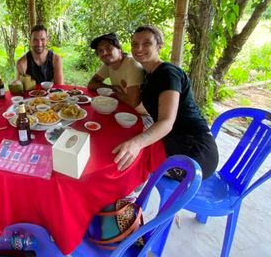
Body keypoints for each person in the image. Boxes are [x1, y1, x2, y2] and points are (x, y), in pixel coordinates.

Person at [112, 25, 219, 180]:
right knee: (122, 142)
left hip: (195, 153)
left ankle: (127, 198)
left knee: (127, 157)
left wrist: (137, 143)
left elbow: (167, 121)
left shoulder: (168, 73)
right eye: (135, 44)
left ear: (159, 47)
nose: (139, 48)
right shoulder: (150, 75)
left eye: (147, 43)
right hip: (173, 140)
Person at [87, 32, 145, 111]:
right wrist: (113, 87)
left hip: (141, 115)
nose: (104, 53)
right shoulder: (108, 64)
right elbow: (91, 84)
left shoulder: (132, 64)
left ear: (119, 49)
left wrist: (116, 94)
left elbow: (133, 102)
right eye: (100, 50)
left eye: (108, 48)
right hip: (122, 107)